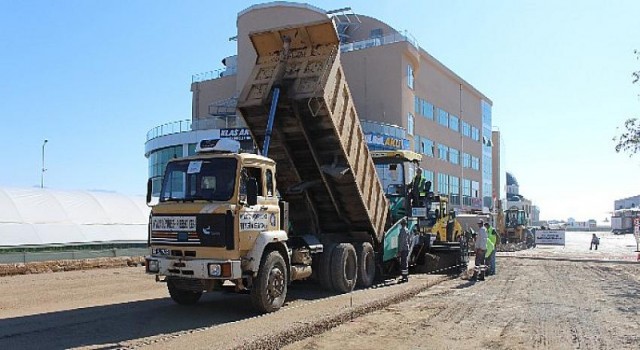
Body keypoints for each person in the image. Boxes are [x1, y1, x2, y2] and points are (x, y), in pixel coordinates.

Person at [398, 218, 410, 283]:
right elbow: (409, 240)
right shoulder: (407, 230)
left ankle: (404, 277)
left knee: (403, 263)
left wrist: (399, 251)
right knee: (405, 262)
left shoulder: (402, 230)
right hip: (406, 248)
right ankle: (405, 276)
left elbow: (402, 242)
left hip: (403, 249)